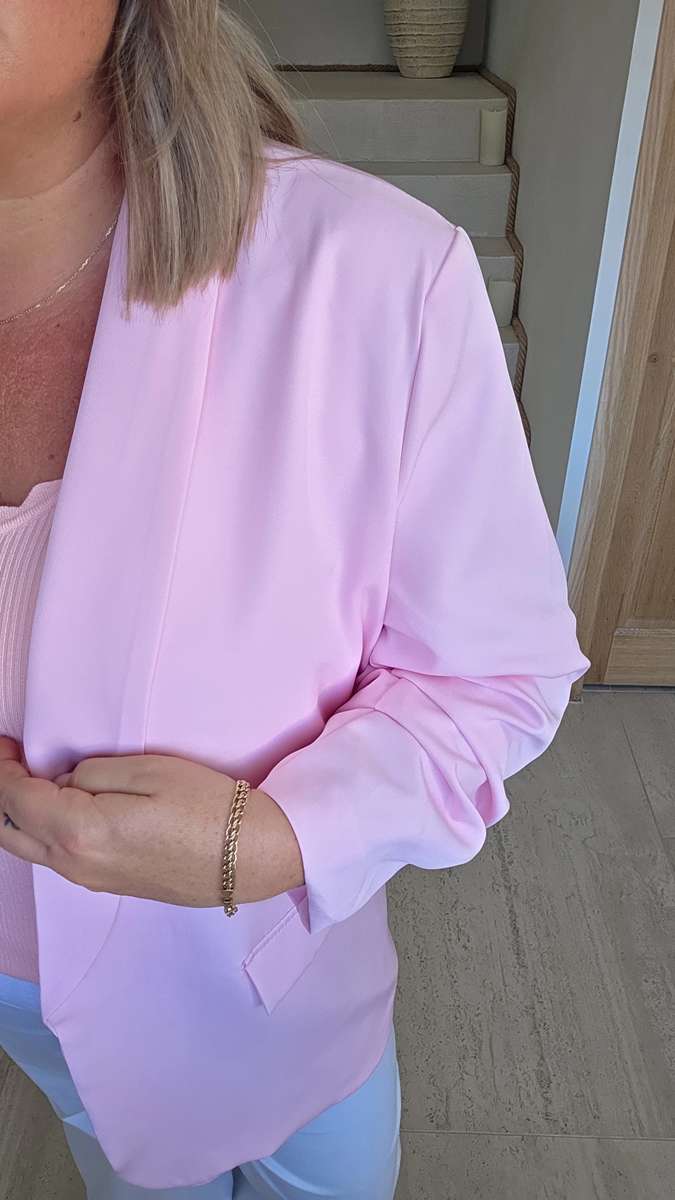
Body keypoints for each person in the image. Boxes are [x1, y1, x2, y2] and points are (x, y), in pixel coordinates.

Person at [0, 3, 591, 1197]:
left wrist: (278, 839)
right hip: (26, 1002)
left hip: (283, 1001)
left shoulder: (377, 277)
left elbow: (495, 677)